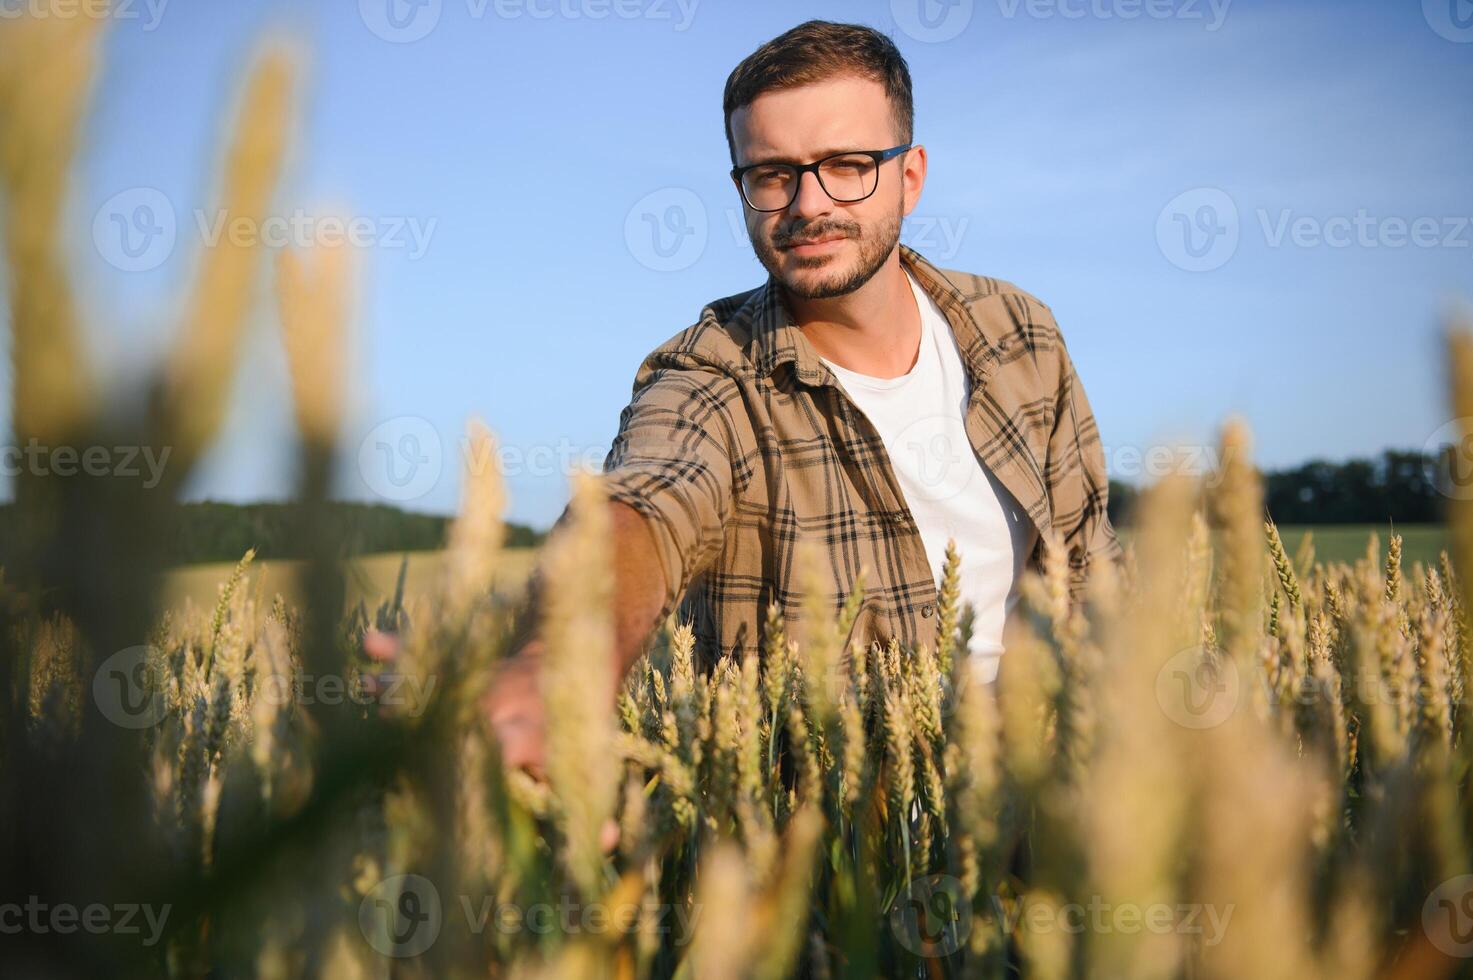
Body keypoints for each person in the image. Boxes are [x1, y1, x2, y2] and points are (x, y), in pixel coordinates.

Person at [481, 20, 1123, 777]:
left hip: (1047, 808)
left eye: (848, 164)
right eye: (772, 173)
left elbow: (1090, 570)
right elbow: (648, 500)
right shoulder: (712, 375)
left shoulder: (1020, 334)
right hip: (836, 858)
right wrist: (560, 664)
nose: (807, 203)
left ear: (910, 176)